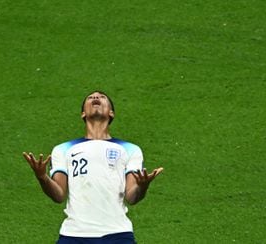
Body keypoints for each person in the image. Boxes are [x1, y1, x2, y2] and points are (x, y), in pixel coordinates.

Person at [23, 91, 164, 243]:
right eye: (91, 97)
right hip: (74, 234)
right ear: (83, 114)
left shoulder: (131, 149)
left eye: (102, 97)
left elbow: (132, 197)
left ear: (111, 113)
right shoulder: (62, 149)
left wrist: (143, 186)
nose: (96, 98)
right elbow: (58, 195)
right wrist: (42, 177)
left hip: (117, 233)